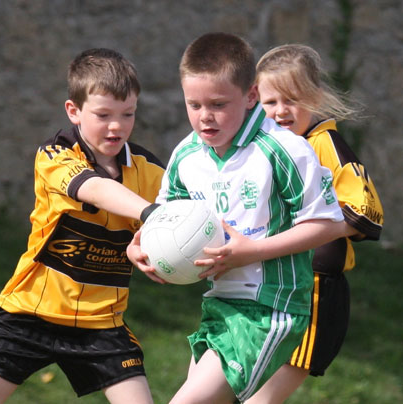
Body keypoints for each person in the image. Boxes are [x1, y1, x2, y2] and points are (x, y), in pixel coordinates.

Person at [127, 32, 354, 404]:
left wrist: (253, 251)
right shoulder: (186, 155)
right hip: (217, 303)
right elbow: (165, 218)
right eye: (194, 105)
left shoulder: (284, 149)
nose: (205, 117)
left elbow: (326, 224)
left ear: (251, 96)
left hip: (271, 310)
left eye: (218, 104)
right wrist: (142, 248)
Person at [0, 48, 165, 404]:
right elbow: (95, 188)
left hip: (103, 322)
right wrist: (152, 214)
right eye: (103, 115)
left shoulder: (150, 173)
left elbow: (172, 228)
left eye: (128, 114)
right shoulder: (54, 155)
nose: (117, 126)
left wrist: (149, 246)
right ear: (74, 112)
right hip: (29, 313)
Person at [248, 44, 384, 403]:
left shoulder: (325, 144)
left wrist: (322, 229)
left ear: (316, 98)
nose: (280, 111)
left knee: (263, 398)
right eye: (270, 101)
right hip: (271, 287)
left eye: (292, 100)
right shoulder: (266, 149)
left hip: (315, 293)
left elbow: (366, 207)